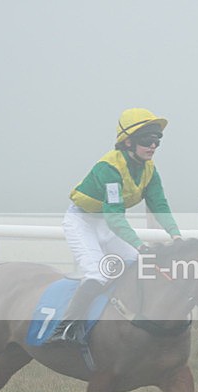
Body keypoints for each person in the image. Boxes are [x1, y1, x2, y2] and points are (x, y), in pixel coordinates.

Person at [52, 108, 182, 342]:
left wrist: (176, 236)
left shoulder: (149, 169)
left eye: (157, 141)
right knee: (97, 276)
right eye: (147, 140)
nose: (153, 146)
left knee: (138, 267)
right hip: (82, 222)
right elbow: (115, 218)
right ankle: (65, 328)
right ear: (128, 142)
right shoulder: (109, 168)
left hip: (106, 223)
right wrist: (140, 245)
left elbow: (160, 205)